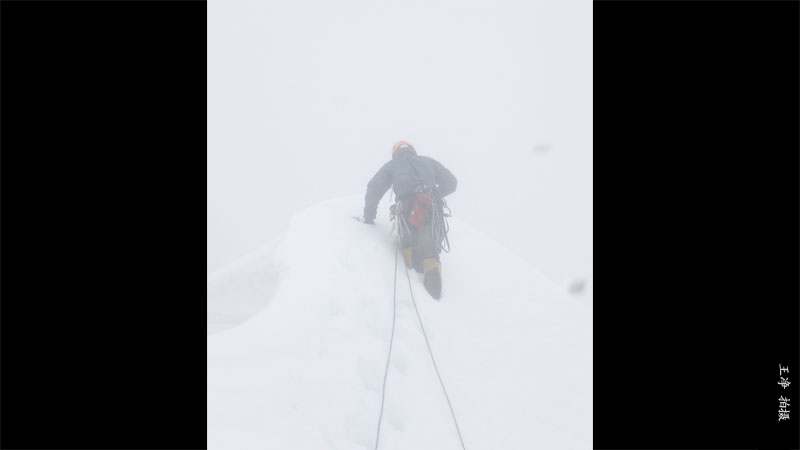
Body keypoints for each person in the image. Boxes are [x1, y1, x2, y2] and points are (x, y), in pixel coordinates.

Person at [362, 141, 457, 299]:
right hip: (430, 209)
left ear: (395, 152)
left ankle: (410, 269)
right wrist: (434, 195)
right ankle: (435, 295)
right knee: (429, 254)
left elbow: (374, 188)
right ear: (413, 150)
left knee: (409, 248)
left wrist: (369, 217)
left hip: (405, 211)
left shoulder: (393, 166)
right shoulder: (427, 161)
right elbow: (451, 182)